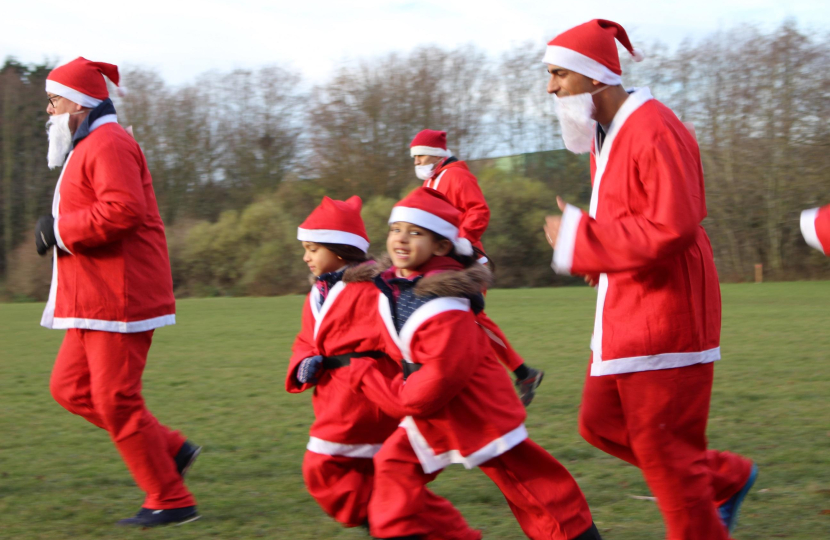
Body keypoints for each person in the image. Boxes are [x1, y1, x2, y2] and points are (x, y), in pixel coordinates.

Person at [540, 20, 757, 540]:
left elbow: (673, 224)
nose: (550, 88)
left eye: (557, 75)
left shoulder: (654, 127)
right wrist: (595, 255)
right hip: (626, 309)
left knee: (665, 454)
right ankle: (723, 478)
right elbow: (628, 216)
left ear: (594, 78)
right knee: (599, 424)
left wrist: (582, 241)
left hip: (666, 313)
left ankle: (703, 501)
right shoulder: (605, 130)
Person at [350, 188, 602, 540]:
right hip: (432, 411)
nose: (401, 239)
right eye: (396, 230)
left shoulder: (448, 306)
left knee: (531, 488)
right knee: (394, 467)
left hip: (477, 411)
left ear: (440, 247)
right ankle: (400, 532)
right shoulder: (394, 287)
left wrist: (375, 382)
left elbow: (441, 375)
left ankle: (576, 536)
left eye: (415, 232)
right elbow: (379, 338)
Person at [34, 57, 200, 527]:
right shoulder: (92, 143)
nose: (49, 111)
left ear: (81, 101)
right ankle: (170, 448)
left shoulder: (108, 142)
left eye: (54, 100)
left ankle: (171, 499)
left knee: (115, 401)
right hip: (93, 298)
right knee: (69, 389)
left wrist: (59, 231)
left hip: (119, 298)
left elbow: (122, 211)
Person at [287, 196, 401, 528]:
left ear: (339, 249)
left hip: (364, 397)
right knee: (380, 475)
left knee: (321, 467)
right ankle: (403, 523)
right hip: (333, 396)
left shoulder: (373, 290)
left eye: (312, 249)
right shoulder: (317, 293)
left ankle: (380, 522)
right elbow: (306, 339)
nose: (306, 257)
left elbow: (395, 339)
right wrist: (304, 361)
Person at [410, 129, 544, 405]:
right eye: (414, 159)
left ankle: (511, 377)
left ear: (436, 155)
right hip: (445, 267)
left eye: (419, 156)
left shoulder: (455, 176)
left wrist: (462, 243)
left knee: (472, 322)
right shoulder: (432, 182)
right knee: (457, 324)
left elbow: (479, 211)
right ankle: (518, 375)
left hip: (466, 265)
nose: (416, 163)